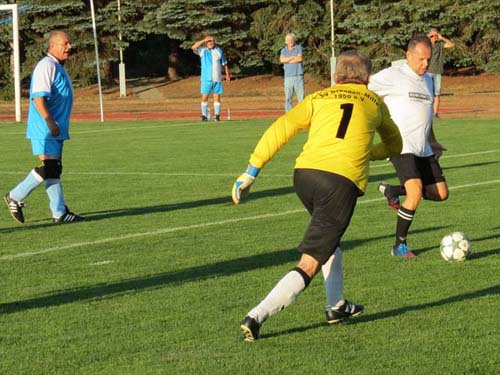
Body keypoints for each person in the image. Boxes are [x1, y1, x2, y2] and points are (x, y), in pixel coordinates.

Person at [231, 50, 403, 341]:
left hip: (304, 176)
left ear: (335, 77)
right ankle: (256, 316)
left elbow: (281, 128)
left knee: (330, 244)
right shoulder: (375, 103)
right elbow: (395, 145)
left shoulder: (318, 97)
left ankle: (336, 306)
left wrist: (251, 171)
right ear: (368, 79)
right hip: (339, 182)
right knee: (310, 262)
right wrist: (365, 153)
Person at [368, 34, 449, 258]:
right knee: (414, 194)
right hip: (401, 146)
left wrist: (432, 142)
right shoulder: (393, 75)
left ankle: (393, 190)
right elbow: (364, 86)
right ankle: (399, 246)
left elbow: (425, 116)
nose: (425, 64)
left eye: (428, 59)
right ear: (408, 55)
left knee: (441, 193)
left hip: (424, 148)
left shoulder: (429, 79)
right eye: (421, 59)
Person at [4, 31, 84, 224]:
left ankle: (59, 213)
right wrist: (49, 121)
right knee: (51, 167)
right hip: (46, 128)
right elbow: (38, 98)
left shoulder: (57, 66)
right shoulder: (46, 66)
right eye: (65, 43)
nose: (69, 47)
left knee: (55, 169)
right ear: (53, 45)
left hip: (54, 128)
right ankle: (15, 196)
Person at [191, 35, 231, 122]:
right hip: (206, 79)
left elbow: (224, 63)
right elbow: (193, 47)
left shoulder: (218, 50)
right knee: (204, 97)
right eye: (209, 41)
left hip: (217, 78)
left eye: (212, 41)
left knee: (217, 97)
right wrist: (203, 40)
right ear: (206, 42)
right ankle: (204, 116)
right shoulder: (202, 50)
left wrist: (227, 75)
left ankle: (217, 116)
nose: (211, 43)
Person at [427, 28, 455, 118]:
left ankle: (435, 113)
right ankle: (427, 113)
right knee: (427, 93)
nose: (434, 37)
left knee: (437, 94)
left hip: (437, 71)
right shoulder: (427, 45)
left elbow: (451, 45)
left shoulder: (440, 45)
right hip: (428, 72)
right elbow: (419, 44)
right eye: (432, 36)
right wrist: (428, 37)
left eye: (435, 36)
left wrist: (442, 38)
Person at [280, 33, 304, 112]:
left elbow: (299, 59)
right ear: (286, 41)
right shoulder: (283, 50)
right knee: (288, 98)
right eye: (288, 40)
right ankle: (289, 114)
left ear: (294, 40)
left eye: (292, 39)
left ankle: (302, 113)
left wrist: (287, 60)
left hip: (298, 76)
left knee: (301, 97)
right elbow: (282, 60)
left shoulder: (298, 48)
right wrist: (294, 57)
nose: (290, 41)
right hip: (288, 77)